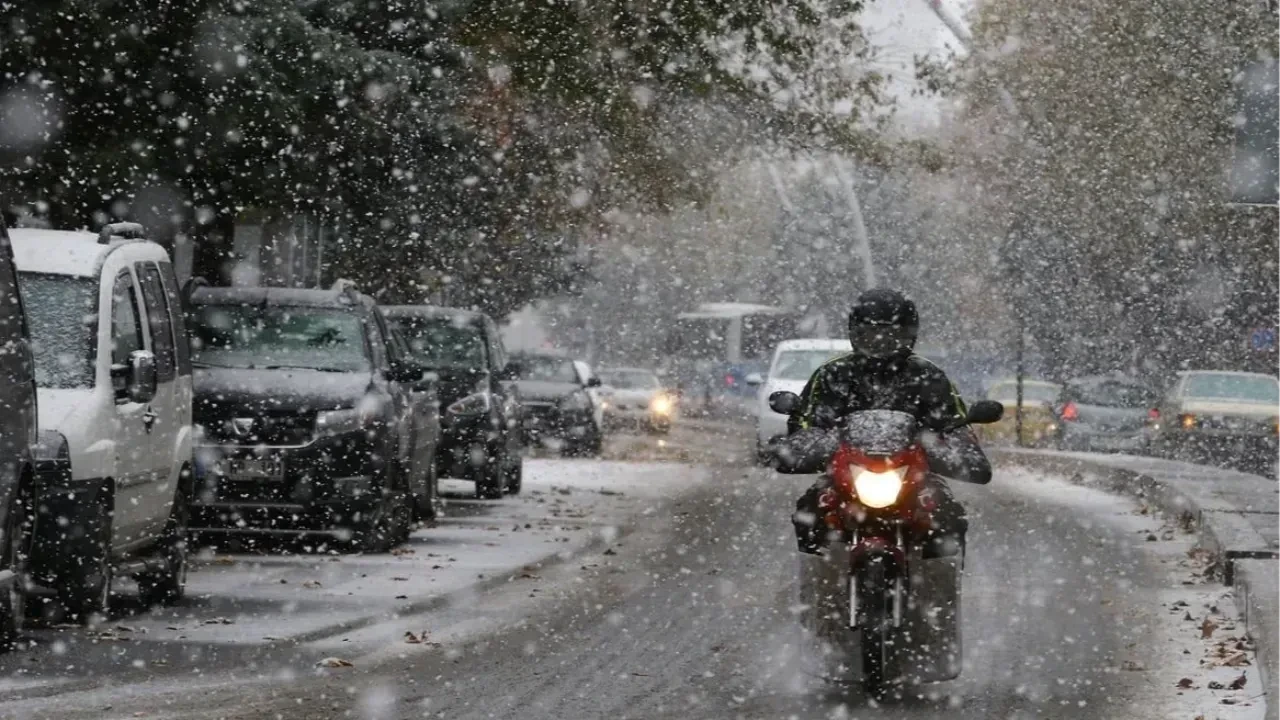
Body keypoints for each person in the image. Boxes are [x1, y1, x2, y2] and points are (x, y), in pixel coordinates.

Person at [783, 288, 992, 555]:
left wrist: (961, 449)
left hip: (913, 477)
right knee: (810, 512)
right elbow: (808, 422)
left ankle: (939, 577)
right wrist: (798, 446)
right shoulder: (832, 374)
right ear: (855, 334)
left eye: (891, 335)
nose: (880, 342)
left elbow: (954, 425)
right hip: (846, 475)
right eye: (870, 334)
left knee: (947, 516)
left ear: (909, 336)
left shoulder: (930, 376)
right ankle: (817, 574)